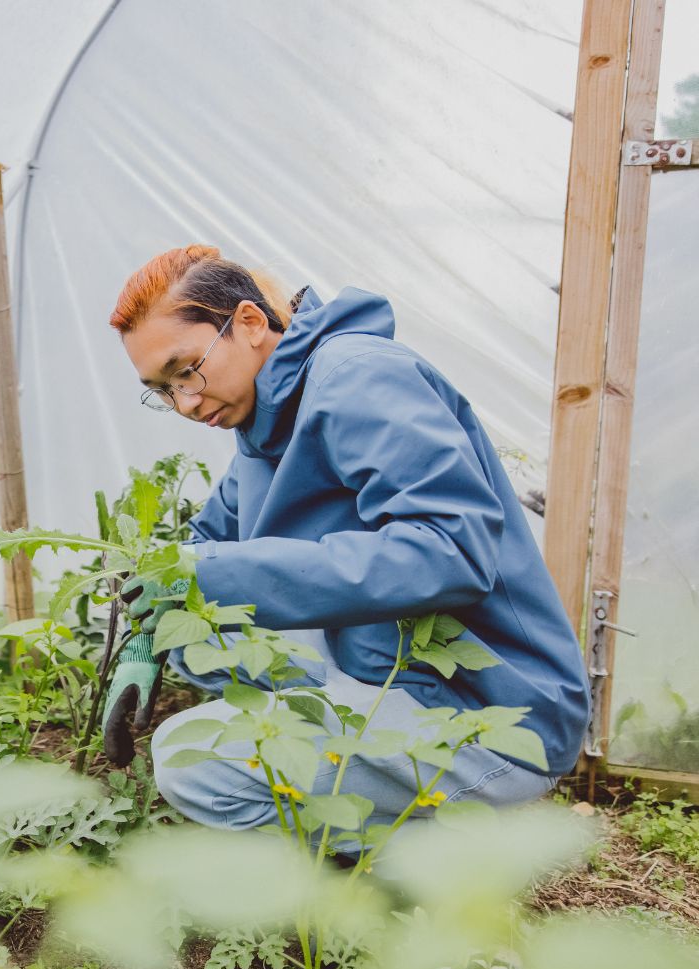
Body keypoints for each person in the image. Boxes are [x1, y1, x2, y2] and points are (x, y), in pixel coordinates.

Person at [101, 244, 590, 845]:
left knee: (192, 757)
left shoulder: (359, 377)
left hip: (489, 709)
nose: (186, 402)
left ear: (251, 323)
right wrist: (146, 646)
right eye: (162, 390)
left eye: (186, 370)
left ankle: (435, 873)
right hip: (383, 670)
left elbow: (451, 550)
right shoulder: (262, 425)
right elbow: (204, 543)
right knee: (210, 641)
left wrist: (211, 574)